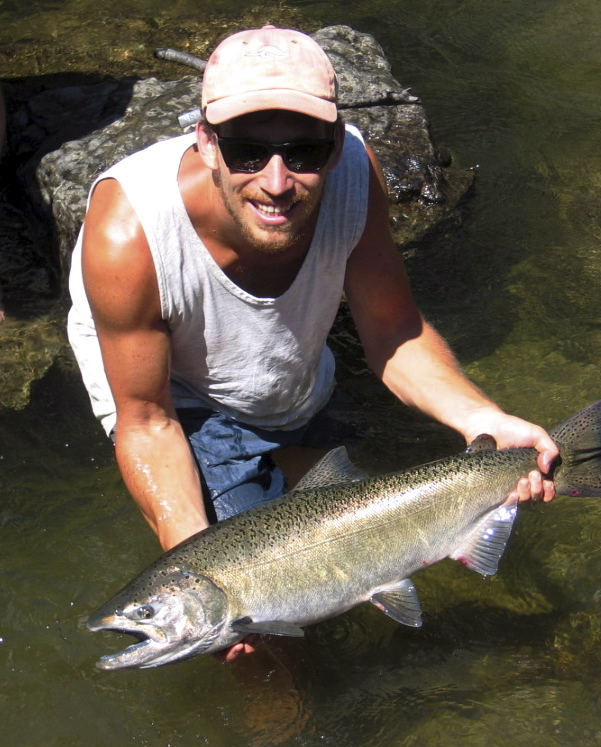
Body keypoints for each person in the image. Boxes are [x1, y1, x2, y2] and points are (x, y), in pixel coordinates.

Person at [68, 26, 557, 655]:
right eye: (247, 150)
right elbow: (148, 422)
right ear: (206, 143)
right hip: (171, 391)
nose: (276, 181)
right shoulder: (128, 232)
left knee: (332, 513)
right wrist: (202, 577)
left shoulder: (355, 172)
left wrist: (483, 418)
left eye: (303, 152)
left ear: (333, 148)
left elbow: (392, 328)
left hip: (282, 367)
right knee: (260, 647)